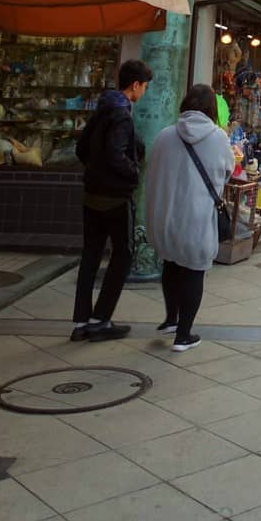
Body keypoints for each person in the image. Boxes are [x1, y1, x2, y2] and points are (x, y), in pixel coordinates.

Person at [145, 83, 235, 352]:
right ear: (211, 109)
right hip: (197, 218)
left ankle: (170, 319)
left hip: (166, 216)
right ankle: (183, 335)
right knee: (194, 272)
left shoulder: (164, 135)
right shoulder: (218, 138)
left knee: (171, 263)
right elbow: (228, 171)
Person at [70, 58, 151, 342]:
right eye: (145, 86)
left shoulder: (102, 108)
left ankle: (81, 322)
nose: (144, 92)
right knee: (123, 255)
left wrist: (95, 170)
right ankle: (100, 319)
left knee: (91, 255)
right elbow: (116, 154)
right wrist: (133, 173)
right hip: (115, 198)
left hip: (91, 195)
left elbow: (81, 148)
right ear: (136, 85)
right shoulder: (121, 114)